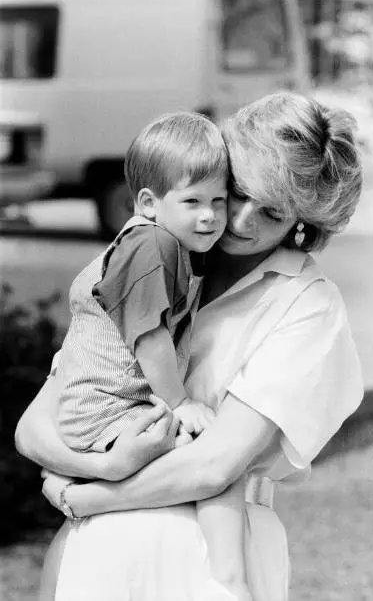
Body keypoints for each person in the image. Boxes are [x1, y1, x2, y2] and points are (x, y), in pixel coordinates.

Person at [15, 92, 364, 601]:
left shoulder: (306, 305)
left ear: (302, 223)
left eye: (271, 212)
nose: (240, 221)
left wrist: (86, 496)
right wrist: (99, 470)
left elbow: (215, 465)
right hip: (99, 549)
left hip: (207, 557)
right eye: (237, 193)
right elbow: (35, 424)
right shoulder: (150, 259)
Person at [46, 111, 253, 600]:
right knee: (215, 458)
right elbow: (149, 339)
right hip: (106, 411)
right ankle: (229, 582)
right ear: (148, 203)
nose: (211, 216)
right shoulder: (151, 244)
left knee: (211, 460)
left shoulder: (162, 242)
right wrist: (180, 404)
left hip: (106, 406)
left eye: (220, 201)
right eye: (193, 202)